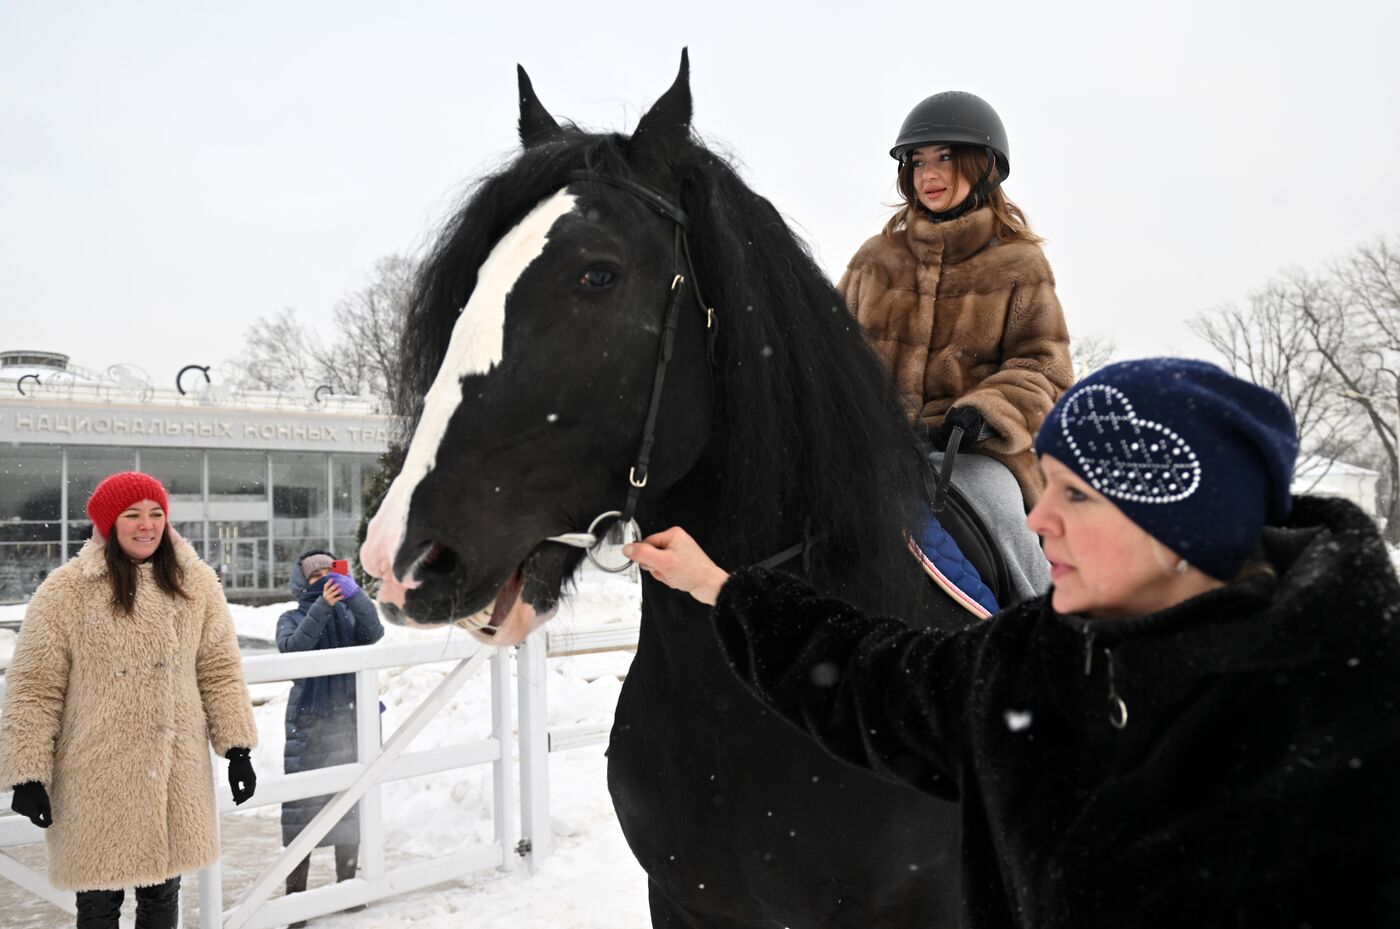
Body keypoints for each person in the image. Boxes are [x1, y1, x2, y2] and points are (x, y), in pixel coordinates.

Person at [625, 358, 1400, 927]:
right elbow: (871, 678)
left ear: (1181, 524)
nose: (1039, 520)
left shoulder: (1357, 719)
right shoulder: (1040, 662)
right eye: (1049, 485)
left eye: (1077, 496)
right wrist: (726, 589)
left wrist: (978, 409)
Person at [840, 90, 1074, 602]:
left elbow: (1045, 367)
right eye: (917, 161)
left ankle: (1042, 627)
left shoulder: (1019, 264)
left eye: (945, 157)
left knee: (995, 502)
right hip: (876, 450)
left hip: (972, 451)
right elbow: (834, 355)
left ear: (984, 167)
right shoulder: (873, 262)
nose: (929, 174)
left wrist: (985, 411)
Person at [0, 471, 258, 929]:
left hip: (174, 775)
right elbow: (34, 687)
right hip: (95, 775)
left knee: (163, 896)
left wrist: (237, 748)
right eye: (133, 515)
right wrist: (26, 774)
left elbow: (218, 669)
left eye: (157, 514)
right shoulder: (66, 592)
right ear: (108, 523)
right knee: (98, 904)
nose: (147, 525)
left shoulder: (194, 583)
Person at [276, 549, 383, 921]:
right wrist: (321, 607)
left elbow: (374, 634)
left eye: (329, 571)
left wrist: (357, 597)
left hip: (350, 718)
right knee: (301, 809)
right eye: (313, 575)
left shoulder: (351, 613)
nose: (322, 578)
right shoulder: (290, 617)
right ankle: (296, 900)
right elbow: (294, 652)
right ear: (300, 584)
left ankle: (347, 889)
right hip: (309, 723)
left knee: (349, 804)